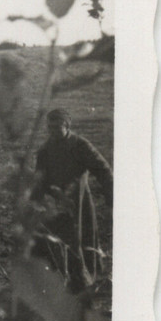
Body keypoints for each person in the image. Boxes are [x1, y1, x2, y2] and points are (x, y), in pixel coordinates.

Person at [32, 108, 113, 291]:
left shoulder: (80, 146)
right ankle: (63, 285)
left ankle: (86, 285)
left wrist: (111, 197)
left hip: (80, 205)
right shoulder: (45, 151)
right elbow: (38, 181)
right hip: (56, 207)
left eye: (56, 126)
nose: (52, 130)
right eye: (49, 127)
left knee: (84, 244)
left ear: (67, 126)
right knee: (58, 247)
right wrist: (35, 203)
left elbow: (103, 169)